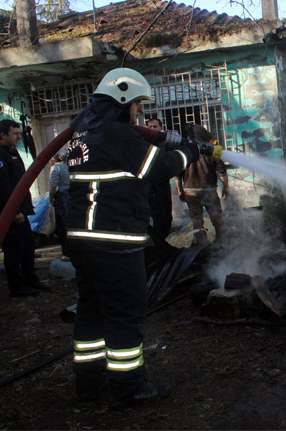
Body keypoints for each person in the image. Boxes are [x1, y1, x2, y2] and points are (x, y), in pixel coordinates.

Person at [64, 68, 199, 407]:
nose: (139, 110)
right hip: (114, 242)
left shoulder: (83, 134)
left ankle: (89, 382)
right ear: (122, 100)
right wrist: (191, 153)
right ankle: (129, 386)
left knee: (91, 311)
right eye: (137, 103)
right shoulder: (118, 135)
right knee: (125, 314)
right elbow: (160, 168)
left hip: (82, 240)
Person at [0, 119, 48, 297]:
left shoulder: (11, 152)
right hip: (10, 213)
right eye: (14, 133)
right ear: (3, 135)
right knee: (14, 251)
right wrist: (14, 212)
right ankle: (17, 287)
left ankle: (31, 281)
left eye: (18, 132)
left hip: (20, 210)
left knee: (28, 247)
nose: (19, 136)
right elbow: (2, 187)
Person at [174, 124, 229, 246]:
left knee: (197, 222)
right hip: (209, 191)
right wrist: (226, 186)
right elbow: (222, 171)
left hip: (190, 192)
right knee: (218, 219)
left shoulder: (184, 150)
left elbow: (178, 174)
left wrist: (180, 190)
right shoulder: (211, 149)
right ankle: (223, 245)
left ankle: (203, 248)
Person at [146, 117, 173, 239]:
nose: (152, 129)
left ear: (161, 128)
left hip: (163, 185)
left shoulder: (166, 144)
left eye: (155, 126)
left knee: (166, 215)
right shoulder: (144, 143)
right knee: (155, 216)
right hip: (150, 187)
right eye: (150, 126)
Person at [49, 152, 70, 258]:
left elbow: (53, 187)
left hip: (62, 198)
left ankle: (66, 252)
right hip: (72, 195)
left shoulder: (56, 168)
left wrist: (50, 198)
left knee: (63, 226)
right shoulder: (68, 166)